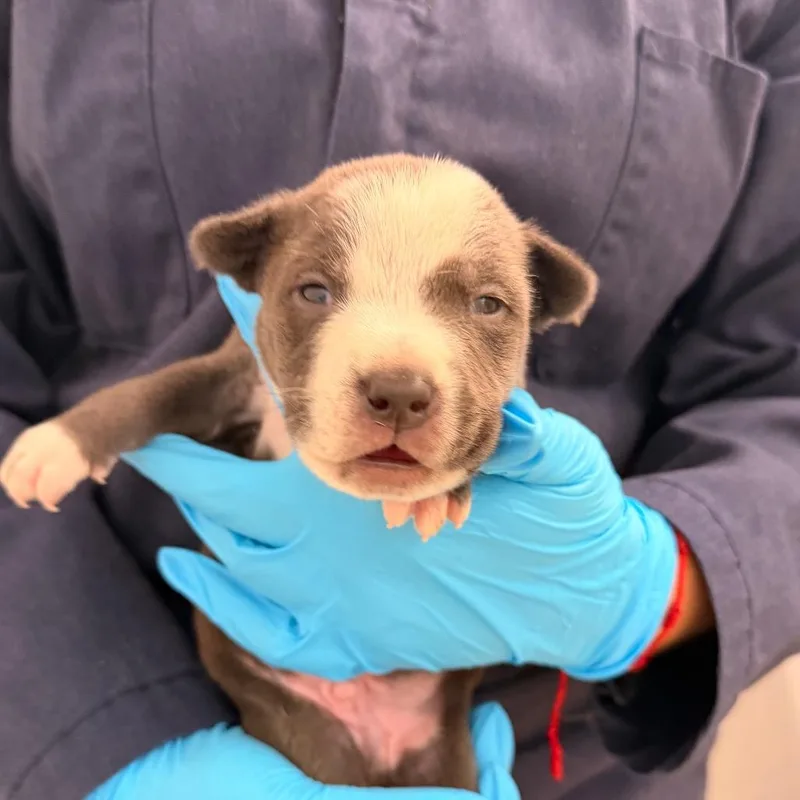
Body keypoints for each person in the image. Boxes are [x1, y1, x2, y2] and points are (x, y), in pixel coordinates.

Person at [1, 1, 799, 798]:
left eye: (485, 304)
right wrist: (95, 749)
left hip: (550, 738)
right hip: (118, 678)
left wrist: (652, 588)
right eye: (316, 291)